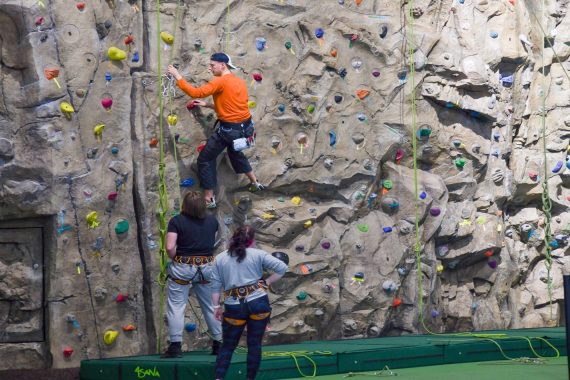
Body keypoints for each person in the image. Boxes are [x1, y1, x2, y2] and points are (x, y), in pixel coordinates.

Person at [167, 53, 264, 209]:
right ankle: (255, 182)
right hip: (245, 128)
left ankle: (209, 198)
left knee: (205, 158)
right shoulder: (239, 81)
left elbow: (194, 93)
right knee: (235, 152)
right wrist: (209, 105)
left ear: (222, 65)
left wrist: (176, 75)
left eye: (212, 65)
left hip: (229, 130)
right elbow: (236, 106)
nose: (210, 67)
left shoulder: (220, 81)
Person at [210, 225, 288, 380]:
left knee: (228, 346)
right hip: (258, 302)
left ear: (233, 238)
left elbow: (215, 285)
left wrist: (216, 306)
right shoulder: (258, 254)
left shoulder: (220, 258)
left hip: (234, 306)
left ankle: (219, 378)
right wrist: (266, 283)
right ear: (252, 240)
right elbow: (282, 267)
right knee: (254, 345)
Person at [161, 191, 222, 358]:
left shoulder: (177, 221)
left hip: (184, 266)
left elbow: (169, 246)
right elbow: (211, 241)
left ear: (185, 205)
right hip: (207, 266)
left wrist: (176, 258)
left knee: (176, 306)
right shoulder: (212, 221)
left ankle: (175, 347)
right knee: (210, 305)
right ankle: (219, 343)